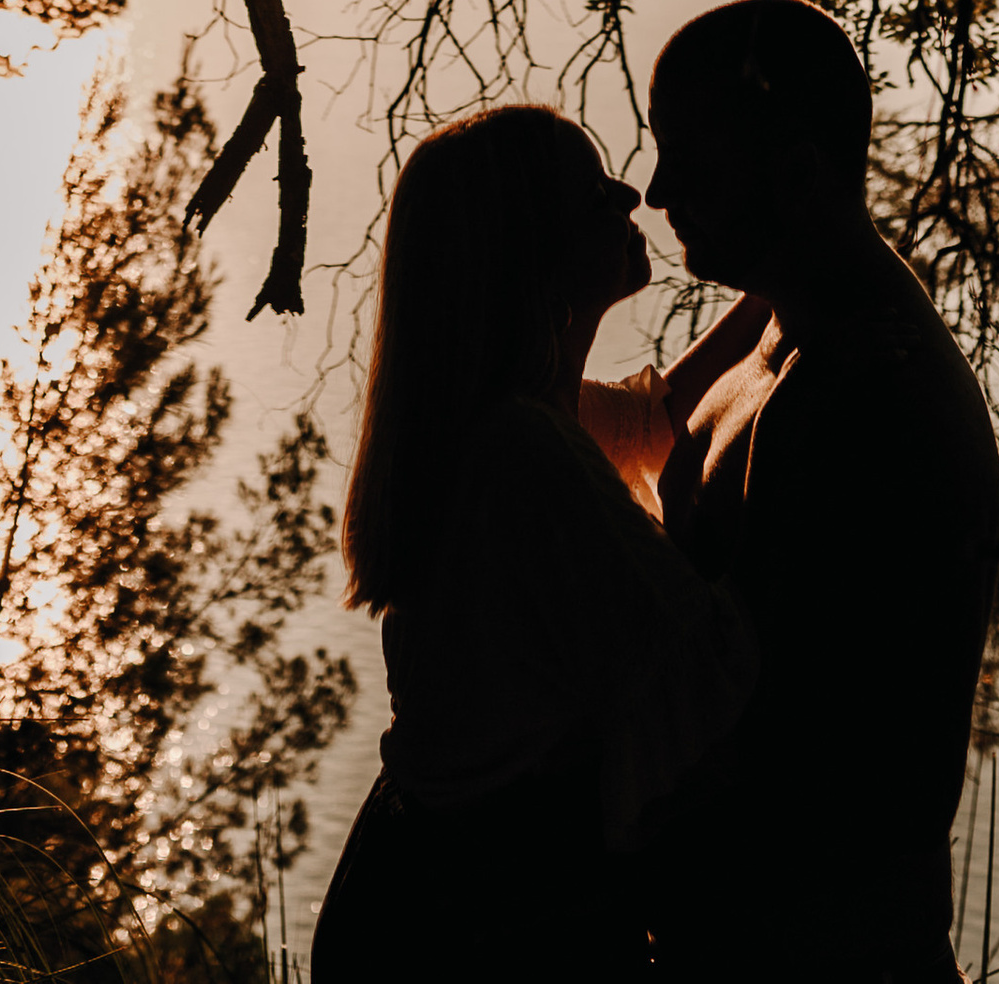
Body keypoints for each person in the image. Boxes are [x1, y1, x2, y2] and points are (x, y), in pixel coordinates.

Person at [587, 0, 999, 981]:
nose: (657, 190)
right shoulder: (790, 320)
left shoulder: (863, 394)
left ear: (797, 171)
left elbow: (781, 744)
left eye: (688, 156)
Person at [312, 104, 753, 984]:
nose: (628, 194)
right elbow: (709, 663)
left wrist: (786, 280)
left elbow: (657, 418)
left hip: (418, 896)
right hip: (477, 930)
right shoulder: (521, 452)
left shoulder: (503, 422)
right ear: (530, 248)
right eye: (592, 192)